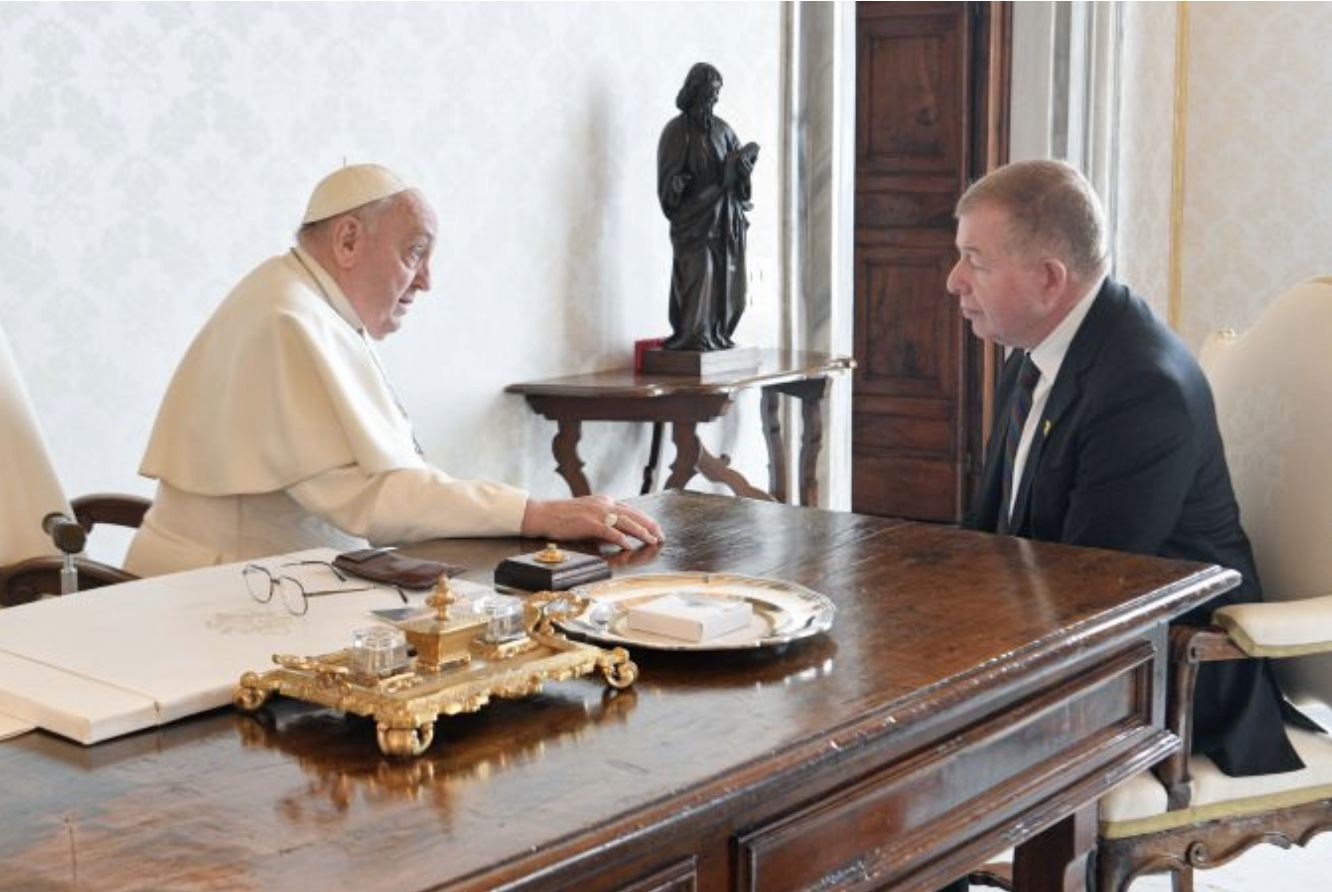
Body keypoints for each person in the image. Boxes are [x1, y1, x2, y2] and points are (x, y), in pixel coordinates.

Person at [948, 159, 1309, 779]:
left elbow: (1093, 588)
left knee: (925, 761)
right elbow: (992, 535)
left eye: (974, 261)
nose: (955, 281)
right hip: (1082, 637)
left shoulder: (1142, 387)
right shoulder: (1034, 354)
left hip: (1172, 670)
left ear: (1049, 279)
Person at [125, 163, 661, 576]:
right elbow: (373, 498)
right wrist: (535, 512)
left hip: (265, 580)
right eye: (414, 253)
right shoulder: (287, 318)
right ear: (348, 240)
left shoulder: (302, 299)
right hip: (218, 591)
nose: (426, 281)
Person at [657, 62, 758, 352]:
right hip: (695, 223)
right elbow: (667, 181)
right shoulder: (677, 132)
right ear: (695, 90)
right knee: (701, 278)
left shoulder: (724, 131)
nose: (715, 98)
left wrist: (743, 173)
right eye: (711, 91)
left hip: (726, 222)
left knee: (732, 290)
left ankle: (719, 335)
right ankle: (695, 338)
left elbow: (741, 183)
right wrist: (676, 186)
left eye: (717, 92)